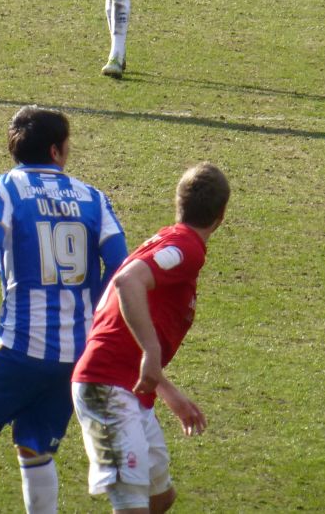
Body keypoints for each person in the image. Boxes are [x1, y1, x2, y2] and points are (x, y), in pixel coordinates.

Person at [0, 106, 128, 514]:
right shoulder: (93, 198)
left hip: (20, 345)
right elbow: (119, 265)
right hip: (77, 354)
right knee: (35, 445)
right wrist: (91, 311)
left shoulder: (4, 188)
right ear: (57, 150)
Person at [71, 162, 230, 514]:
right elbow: (126, 282)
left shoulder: (170, 242)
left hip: (131, 390)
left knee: (160, 498)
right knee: (132, 507)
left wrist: (167, 389)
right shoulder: (186, 249)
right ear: (222, 215)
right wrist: (152, 350)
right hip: (106, 386)